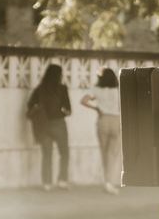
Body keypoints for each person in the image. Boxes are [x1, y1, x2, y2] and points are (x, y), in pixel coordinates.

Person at [27, 63, 71, 191]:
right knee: (64, 153)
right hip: (59, 124)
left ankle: (47, 183)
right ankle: (62, 180)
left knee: (47, 154)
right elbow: (68, 110)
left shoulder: (40, 89)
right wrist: (61, 112)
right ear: (59, 75)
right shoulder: (62, 89)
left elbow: (30, 105)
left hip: (43, 125)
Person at [81, 67, 122, 195]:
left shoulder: (96, 89)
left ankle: (107, 181)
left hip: (102, 120)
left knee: (104, 153)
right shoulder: (118, 90)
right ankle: (109, 182)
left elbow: (84, 101)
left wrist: (97, 109)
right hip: (116, 120)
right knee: (113, 154)